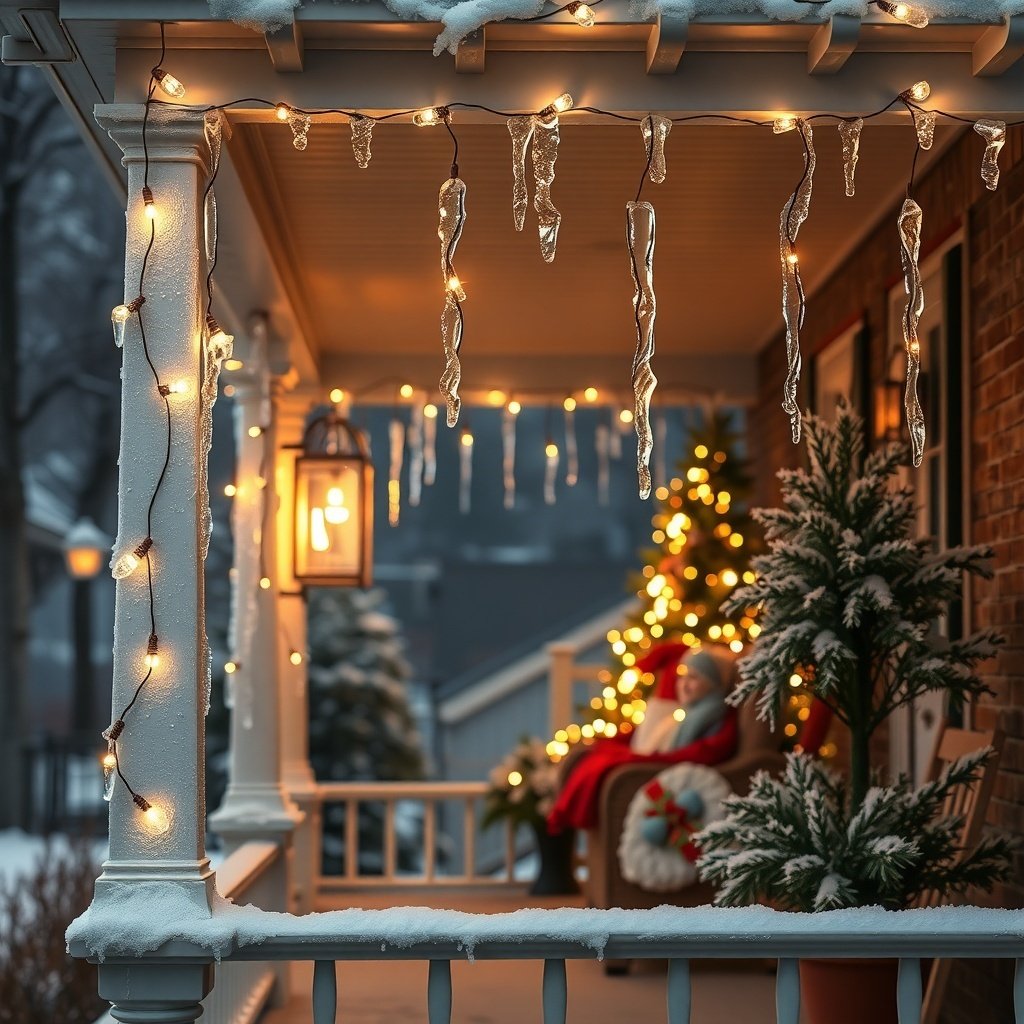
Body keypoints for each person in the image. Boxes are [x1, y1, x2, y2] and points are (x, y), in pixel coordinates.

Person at [546, 642, 738, 835]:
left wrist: (647, 759)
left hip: (675, 781)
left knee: (606, 763)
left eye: (694, 677)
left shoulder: (714, 714)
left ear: (713, 682)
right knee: (596, 756)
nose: (684, 684)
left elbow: (706, 751)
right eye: (682, 677)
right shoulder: (685, 715)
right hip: (664, 769)